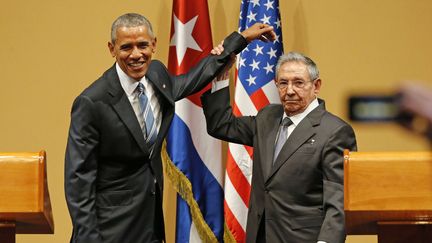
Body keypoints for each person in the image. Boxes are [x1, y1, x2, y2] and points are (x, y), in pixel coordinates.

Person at [64, 13, 276, 243]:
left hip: (150, 226)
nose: (136, 54)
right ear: (111, 48)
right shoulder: (91, 103)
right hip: (109, 231)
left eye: (143, 45)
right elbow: (78, 182)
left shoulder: (157, 75)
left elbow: (193, 78)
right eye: (126, 47)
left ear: (154, 45)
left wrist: (241, 39)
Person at [201, 51, 357, 243]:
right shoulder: (267, 117)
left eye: (298, 82)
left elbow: (338, 201)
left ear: (316, 86)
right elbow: (221, 125)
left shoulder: (335, 132)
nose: (290, 90)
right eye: (283, 83)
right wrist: (221, 76)